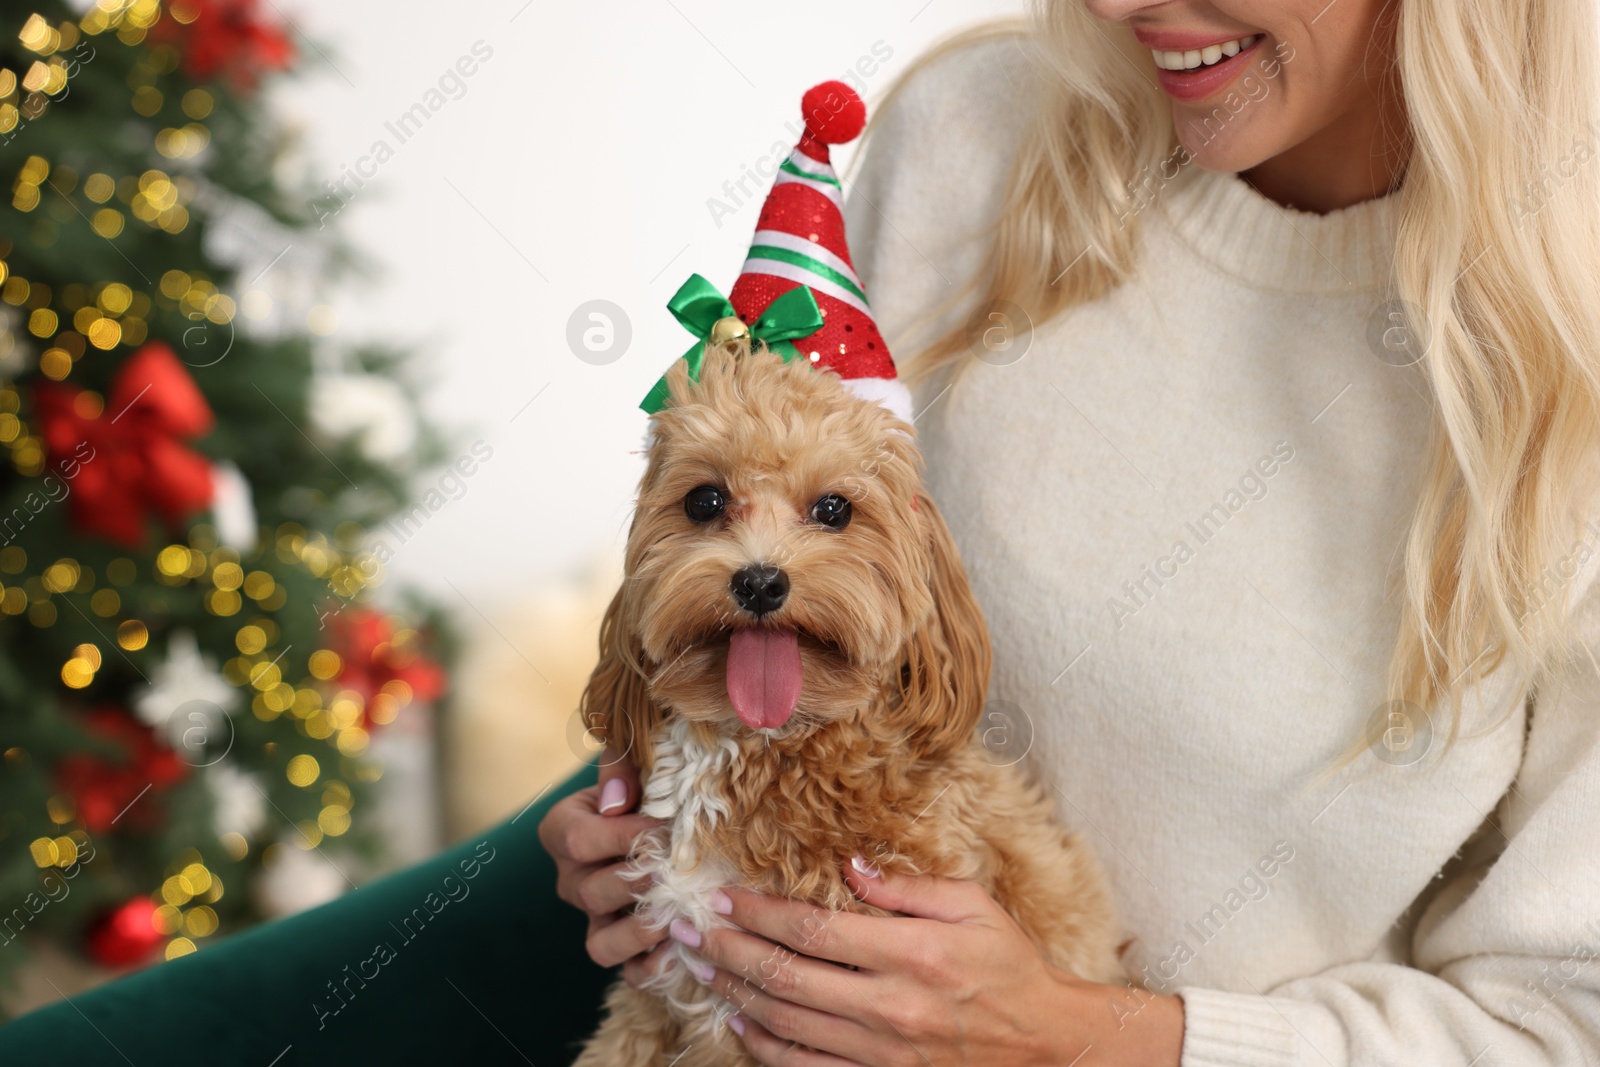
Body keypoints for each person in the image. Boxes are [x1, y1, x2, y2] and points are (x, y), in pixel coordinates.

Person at [540, 1, 1600, 1064]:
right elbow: (750, 572)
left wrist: (1074, 1035)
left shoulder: (1568, 353)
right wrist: (638, 817)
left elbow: (1563, 1023)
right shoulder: (971, 128)